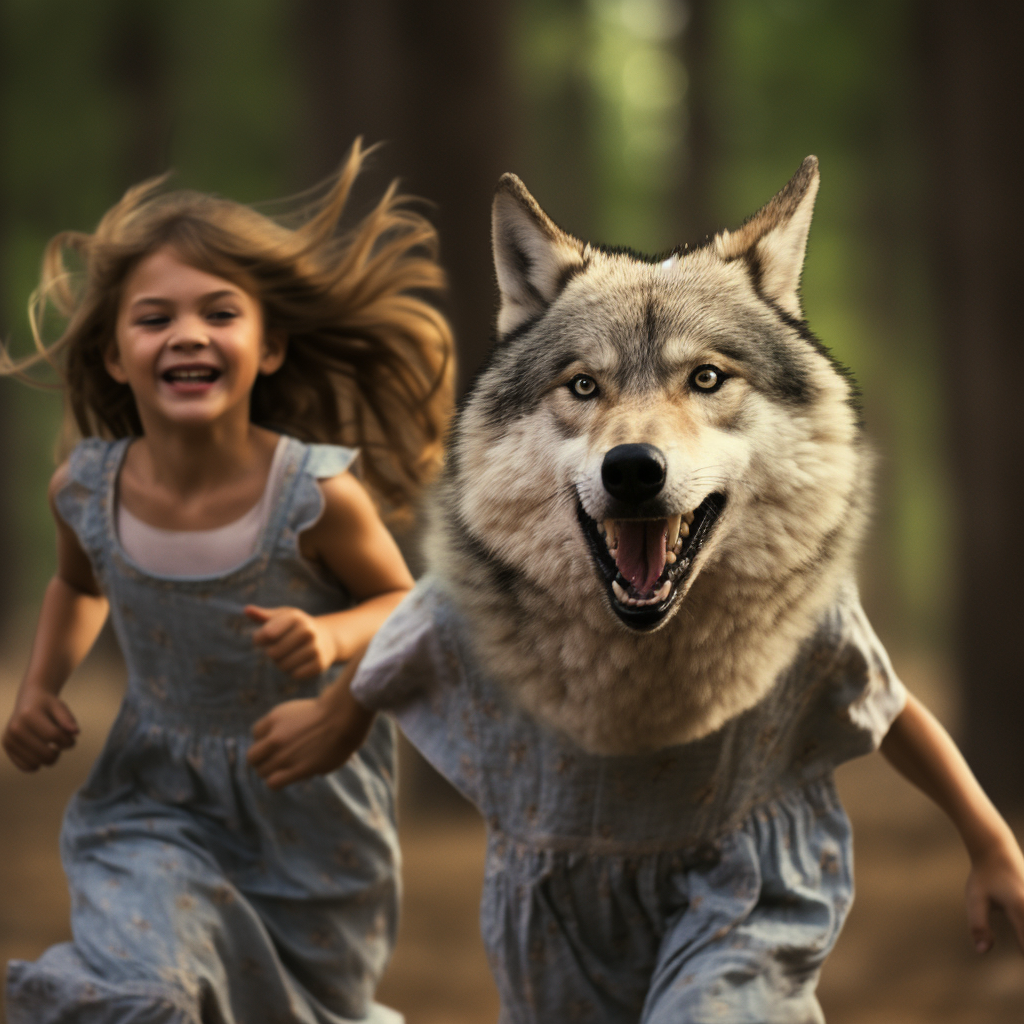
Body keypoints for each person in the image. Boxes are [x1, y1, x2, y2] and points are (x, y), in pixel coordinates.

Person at [1, 140, 453, 1024]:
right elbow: (80, 586)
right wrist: (39, 684)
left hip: (310, 797)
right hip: (152, 794)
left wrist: (330, 641)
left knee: (294, 1011)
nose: (188, 334)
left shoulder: (314, 496)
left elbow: (408, 603)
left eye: (219, 312)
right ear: (114, 358)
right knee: (148, 995)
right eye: (154, 318)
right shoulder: (85, 490)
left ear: (270, 346)